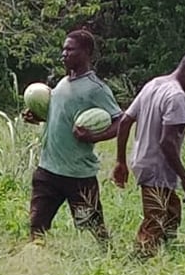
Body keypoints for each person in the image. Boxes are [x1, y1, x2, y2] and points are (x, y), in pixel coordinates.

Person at [24, 30, 122, 242]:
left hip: (78, 174)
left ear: (86, 52)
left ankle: (106, 264)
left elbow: (120, 122)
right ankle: (35, 264)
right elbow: (61, 117)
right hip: (48, 170)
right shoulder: (62, 84)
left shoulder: (97, 89)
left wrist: (94, 136)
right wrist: (39, 117)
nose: (64, 54)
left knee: (94, 232)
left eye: (70, 49)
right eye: (63, 49)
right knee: (37, 226)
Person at [112, 51, 185, 257]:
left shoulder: (153, 84)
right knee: (155, 221)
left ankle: (170, 254)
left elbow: (124, 121)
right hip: (157, 167)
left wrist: (121, 160)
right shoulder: (176, 96)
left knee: (172, 212)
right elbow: (167, 142)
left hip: (144, 162)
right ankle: (137, 263)